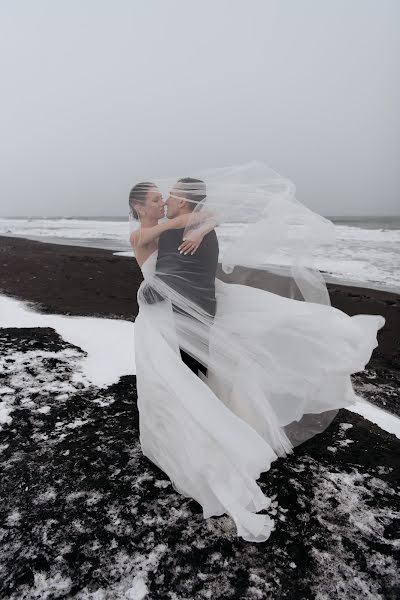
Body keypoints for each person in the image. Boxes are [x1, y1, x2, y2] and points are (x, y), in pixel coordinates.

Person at [131, 164, 386, 543]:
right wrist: (198, 223)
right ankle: (198, 424)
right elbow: (158, 238)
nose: (164, 199)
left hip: (176, 312)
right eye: (156, 198)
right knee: (173, 373)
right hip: (170, 309)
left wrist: (201, 223)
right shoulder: (153, 232)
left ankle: (198, 434)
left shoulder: (183, 228)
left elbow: (198, 225)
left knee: (175, 374)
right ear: (140, 205)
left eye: (167, 196)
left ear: (183, 199)